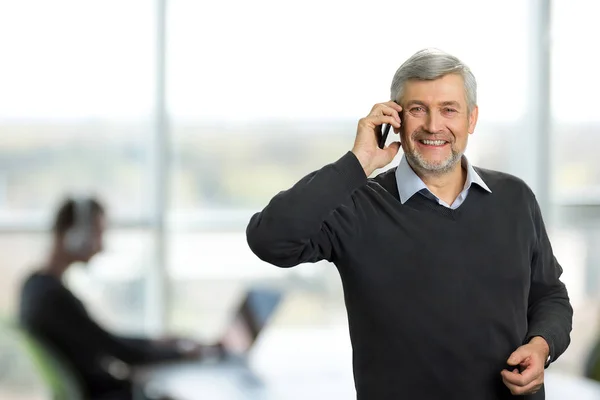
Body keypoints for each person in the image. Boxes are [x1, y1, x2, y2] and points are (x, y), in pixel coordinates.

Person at [246, 48, 573, 399]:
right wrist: (358, 162)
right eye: (418, 109)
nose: (434, 126)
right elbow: (270, 239)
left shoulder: (515, 198)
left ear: (471, 119)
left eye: (449, 109)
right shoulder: (357, 205)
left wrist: (542, 346)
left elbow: (550, 295)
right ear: (394, 119)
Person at [18, 197, 211, 400]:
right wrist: (182, 354)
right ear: (75, 235)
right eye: (98, 233)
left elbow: (101, 339)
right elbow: (114, 349)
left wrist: (157, 343)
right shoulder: (52, 296)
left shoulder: (34, 286)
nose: (101, 246)